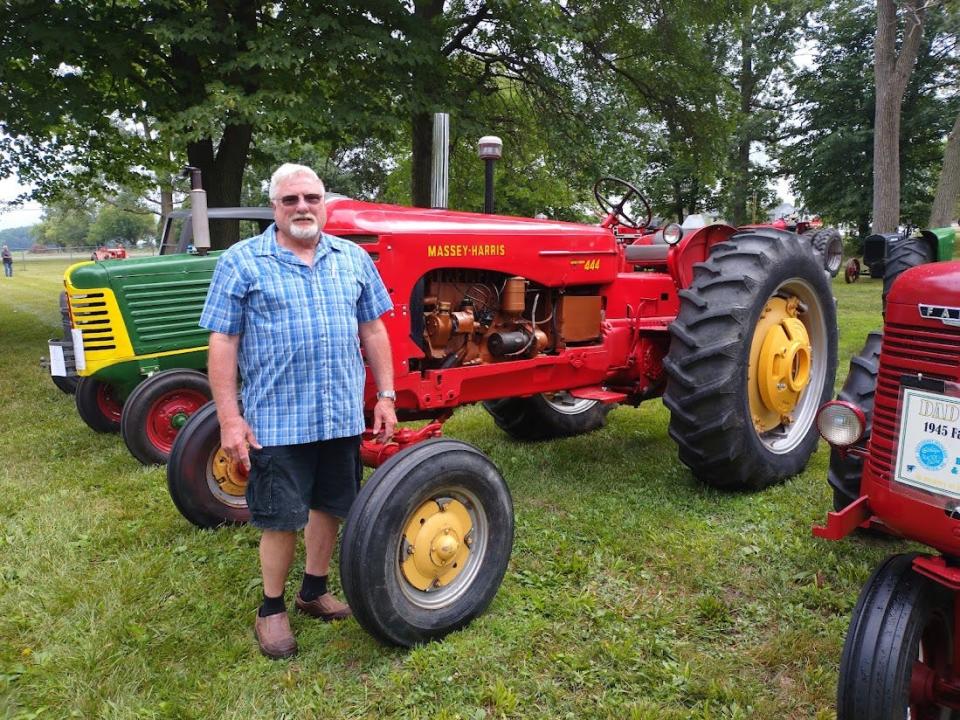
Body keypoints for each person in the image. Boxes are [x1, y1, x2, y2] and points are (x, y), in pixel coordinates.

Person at [199, 163, 396, 659]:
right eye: (291, 200)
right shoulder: (243, 261)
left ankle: (313, 591)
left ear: (324, 203)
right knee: (280, 517)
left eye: (311, 198)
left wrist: (387, 395)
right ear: (275, 208)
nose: (302, 207)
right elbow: (223, 340)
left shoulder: (351, 258)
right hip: (277, 418)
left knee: (331, 504)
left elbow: (373, 329)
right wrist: (229, 418)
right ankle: (271, 610)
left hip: (339, 413)